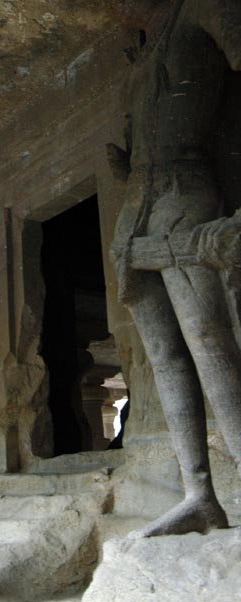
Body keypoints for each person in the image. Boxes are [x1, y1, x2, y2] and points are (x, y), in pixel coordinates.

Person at [108, 0, 241, 537]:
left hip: (185, 190)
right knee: (164, 355)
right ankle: (198, 494)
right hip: (137, 210)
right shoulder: (139, 61)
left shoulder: (204, 12)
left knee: (209, 341)